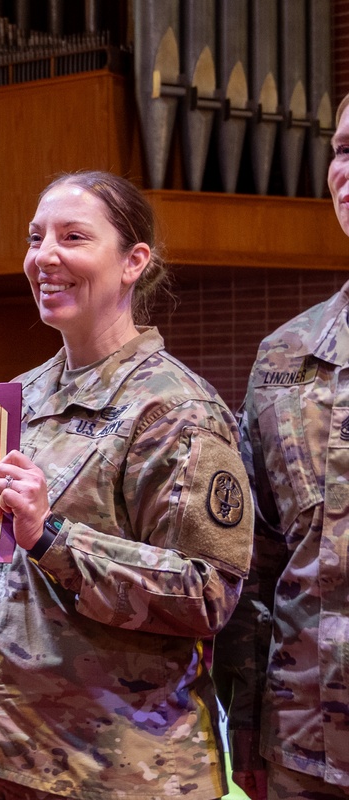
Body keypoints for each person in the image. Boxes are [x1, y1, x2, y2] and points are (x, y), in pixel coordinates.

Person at [0, 171, 255, 800]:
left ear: (134, 261)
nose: (44, 256)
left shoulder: (175, 409)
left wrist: (51, 537)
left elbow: (205, 594)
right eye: (35, 237)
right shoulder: (17, 398)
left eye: (73, 237)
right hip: (0, 758)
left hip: (122, 774)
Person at [212, 93, 349, 800]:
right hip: (304, 745)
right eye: (343, 150)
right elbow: (253, 564)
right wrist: (246, 726)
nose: (348, 169)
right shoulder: (283, 357)